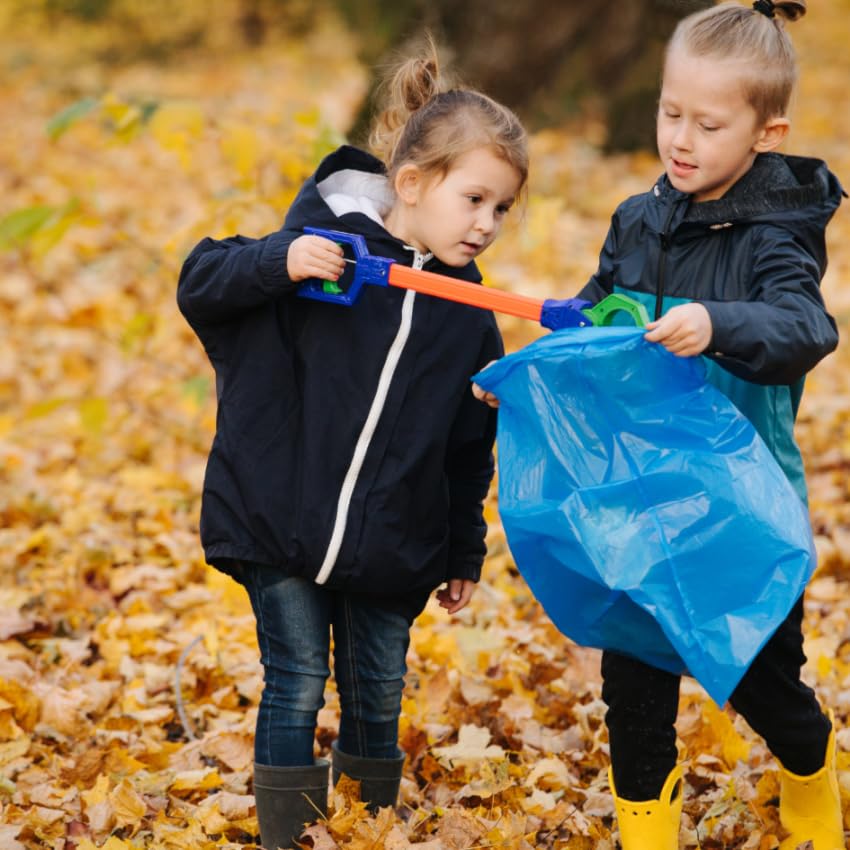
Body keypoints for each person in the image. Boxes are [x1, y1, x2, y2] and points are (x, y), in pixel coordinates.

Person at [471, 1, 843, 847]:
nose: (680, 138)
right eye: (670, 111)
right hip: (636, 501)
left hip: (738, 511)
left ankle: (812, 766)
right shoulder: (638, 220)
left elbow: (805, 329)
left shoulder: (774, 240)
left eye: (707, 124)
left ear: (766, 134)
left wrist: (718, 323)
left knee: (762, 683)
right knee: (633, 696)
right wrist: (535, 381)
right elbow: (604, 320)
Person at [177, 40, 528, 850]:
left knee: (377, 694)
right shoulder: (321, 251)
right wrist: (278, 262)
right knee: (295, 682)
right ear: (412, 184)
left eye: (502, 208)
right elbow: (202, 284)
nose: (487, 223)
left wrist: (462, 550)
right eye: (474, 199)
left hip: (393, 544)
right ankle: (286, 839)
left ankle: (366, 833)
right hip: (280, 522)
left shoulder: (468, 316)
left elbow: (470, 447)